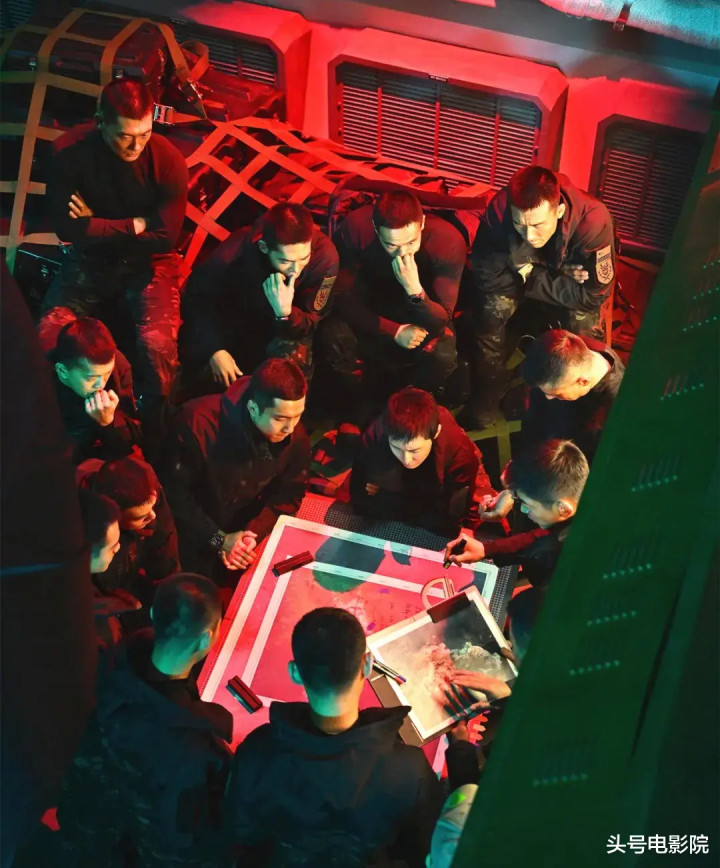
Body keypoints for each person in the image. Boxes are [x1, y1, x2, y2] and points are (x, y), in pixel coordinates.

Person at [225, 607, 443, 867]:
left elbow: (240, 838)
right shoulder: (410, 769)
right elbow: (424, 851)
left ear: (295, 672)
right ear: (367, 665)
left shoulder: (257, 753)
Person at [43, 78, 189, 439]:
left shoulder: (167, 160)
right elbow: (66, 227)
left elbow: (165, 237)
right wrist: (135, 224)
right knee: (48, 334)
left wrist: (95, 222)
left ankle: (154, 433)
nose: (137, 146)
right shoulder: (68, 152)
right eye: (125, 136)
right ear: (101, 122)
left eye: (145, 134)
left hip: (150, 263)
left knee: (157, 346)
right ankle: (57, 428)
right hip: (91, 259)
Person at [55, 573, 233, 868]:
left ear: (152, 614)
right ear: (207, 638)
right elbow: (181, 840)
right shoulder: (194, 749)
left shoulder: (105, 663)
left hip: (84, 824)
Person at [466, 165, 615, 428]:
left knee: (585, 329)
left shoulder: (593, 222)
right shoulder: (499, 211)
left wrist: (531, 273)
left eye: (537, 225)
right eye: (519, 225)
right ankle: (490, 390)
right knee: (490, 314)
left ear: (559, 211)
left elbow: (592, 296)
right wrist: (553, 276)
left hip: (536, 280)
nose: (529, 236)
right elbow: (485, 275)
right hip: (533, 282)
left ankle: (573, 408)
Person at [318, 190, 466, 433]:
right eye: (392, 245)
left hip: (420, 318)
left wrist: (415, 291)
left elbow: (441, 319)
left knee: (442, 352)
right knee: (332, 333)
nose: (403, 253)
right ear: (376, 230)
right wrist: (393, 330)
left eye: (411, 243)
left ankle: (411, 409)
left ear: (422, 224)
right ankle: (359, 404)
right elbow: (338, 295)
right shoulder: (356, 229)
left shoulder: (446, 242)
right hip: (373, 312)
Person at [164, 358, 311, 581]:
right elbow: (175, 499)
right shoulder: (196, 426)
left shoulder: (295, 437)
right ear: (253, 408)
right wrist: (219, 540)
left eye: (297, 416)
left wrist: (253, 533)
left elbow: (288, 495)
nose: (289, 428)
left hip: (244, 536)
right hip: (192, 534)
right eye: (280, 418)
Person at [181, 202, 338, 390]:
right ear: (264, 248)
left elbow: (311, 321)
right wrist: (214, 349)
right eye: (285, 261)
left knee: (292, 363)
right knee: (201, 368)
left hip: (285, 330)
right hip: (237, 322)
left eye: (304, 258)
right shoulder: (235, 251)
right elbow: (197, 299)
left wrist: (285, 314)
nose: (295, 270)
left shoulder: (325, 258)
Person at [350, 387, 495, 537]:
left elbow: (451, 518)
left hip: (433, 503)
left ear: (436, 433)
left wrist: (387, 492)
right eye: (397, 448)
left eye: (414, 450)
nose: (406, 460)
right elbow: (361, 500)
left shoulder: (461, 457)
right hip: (416, 498)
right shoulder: (373, 438)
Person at [444, 439, 589, 589]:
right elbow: (537, 536)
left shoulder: (577, 564)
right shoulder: (577, 503)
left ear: (564, 509)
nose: (523, 510)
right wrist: (486, 549)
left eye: (527, 506)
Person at [79, 455, 180, 615]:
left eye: (153, 508)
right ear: (115, 516)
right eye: (140, 517)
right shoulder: (80, 524)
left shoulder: (147, 488)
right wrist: (103, 600)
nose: (153, 516)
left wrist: (170, 591)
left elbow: (165, 542)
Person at [40, 311, 143, 463]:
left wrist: (109, 422)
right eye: (91, 377)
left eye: (107, 374)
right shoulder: (39, 383)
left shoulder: (119, 366)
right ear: (62, 371)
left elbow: (131, 438)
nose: (101, 384)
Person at [518, 328, 625, 462]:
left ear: (583, 382)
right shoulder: (570, 347)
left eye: (557, 394)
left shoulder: (612, 412)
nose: (548, 397)